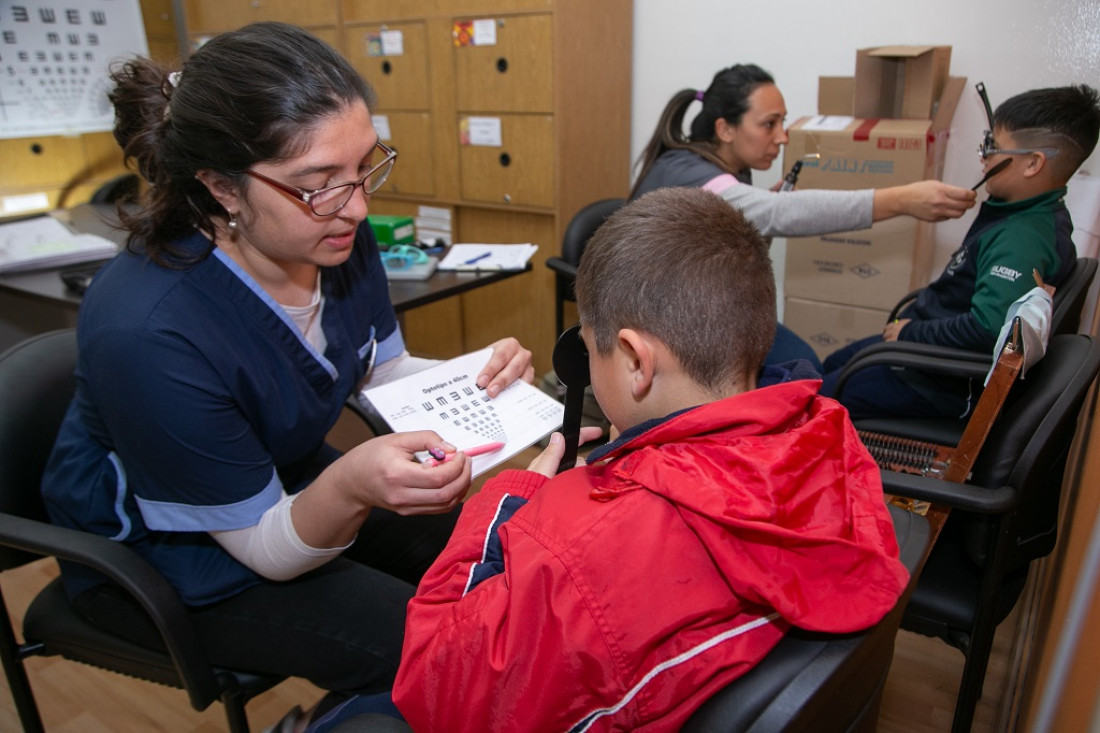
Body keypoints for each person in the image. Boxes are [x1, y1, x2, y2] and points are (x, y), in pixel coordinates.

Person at [39, 21, 534, 730]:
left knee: (491, 558)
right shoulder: (149, 330)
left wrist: (478, 375)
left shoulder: (334, 233)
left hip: (283, 475)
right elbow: (269, 549)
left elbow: (380, 364)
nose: (358, 207)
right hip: (164, 555)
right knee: (423, 644)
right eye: (317, 185)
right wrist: (354, 482)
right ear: (221, 187)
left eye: (364, 166)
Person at [306, 188, 910, 732]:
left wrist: (504, 505)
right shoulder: (835, 441)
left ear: (634, 359)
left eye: (590, 349)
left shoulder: (574, 551)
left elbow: (435, 685)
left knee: (350, 720)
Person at [631, 63, 977, 367]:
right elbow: (778, 214)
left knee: (804, 363)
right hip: (663, 323)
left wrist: (757, 209)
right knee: (799, 369)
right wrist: (902, 200)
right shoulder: (685, 171)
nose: (782, 137)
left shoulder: (724, 171)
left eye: (782, 122)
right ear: (725, 129)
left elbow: (735, 238)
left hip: (694, 312)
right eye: (769, 124)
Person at [818, 83, 1100, 420]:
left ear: (1032, 164)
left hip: (935, 380)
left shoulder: (1022, 238)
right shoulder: (1023, 214)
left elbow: (988, 329)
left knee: (816, 399)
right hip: (923, 356)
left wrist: (909, 332)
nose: (983, 156)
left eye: (993, 147)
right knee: (829, 367)